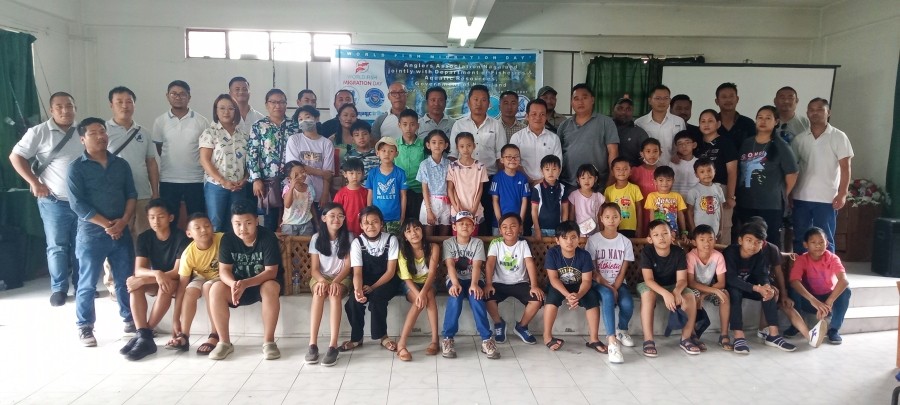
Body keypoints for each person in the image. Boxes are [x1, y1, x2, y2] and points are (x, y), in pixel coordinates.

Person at [67, 117, 137, 346]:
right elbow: (78, 205)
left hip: (121, 230)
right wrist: (108, 225)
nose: (100, 136)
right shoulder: (76, 168)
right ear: (82, 138)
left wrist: (123, 222)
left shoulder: (121, 164)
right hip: (91, 234)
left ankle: (130, 320)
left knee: (125, 279)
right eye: (94, 132)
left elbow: (131, 195)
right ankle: (85, 326)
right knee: (87, 282)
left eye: (103, 131)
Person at [9, 92, 83, 306]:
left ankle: (82, 286)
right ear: (51, 110)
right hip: (53, 201)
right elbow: (16, 156)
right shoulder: (39, 132)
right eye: (59, 106)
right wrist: (34, 182)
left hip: (82, 203)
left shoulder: (83, 131)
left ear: (75, 108)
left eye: (69, 105)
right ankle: (59, 288)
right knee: (57, 246)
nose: (65, 110)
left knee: (81, 245)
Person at [207, 200, 284, 360]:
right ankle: (224, 343)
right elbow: (224, 270)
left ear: (256, 221)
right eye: (238, 224)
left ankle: (269, 342)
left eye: (248, 223)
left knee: (270, 287)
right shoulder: (227, 239)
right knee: (215, 289)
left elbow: (271, 272)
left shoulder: (267, 237)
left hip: (261, 284)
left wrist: (246, 284)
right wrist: (233, 284)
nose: (243, 228)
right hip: (238, 287)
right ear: (232, 223)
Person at [120, 199, 189, 360]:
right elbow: (139, 269)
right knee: (135, 284)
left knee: (163, 284)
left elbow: (177, 272)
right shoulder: (144, 237)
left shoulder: (181, 237)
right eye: (151, 217)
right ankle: (143, 334)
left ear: (170, 218)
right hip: (158, 279)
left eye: (160, 217)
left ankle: (145, 334)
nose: (155, 221)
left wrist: (151, 277)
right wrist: (156, 274)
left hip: (177, 281)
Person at [791, 98, 853, 254]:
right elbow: (792, 169)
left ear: (828, 112)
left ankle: (826, 275)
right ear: (807, 113)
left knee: (826, 239)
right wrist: (790, 193)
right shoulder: (799, 139)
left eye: (820, 109)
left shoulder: (839, 136)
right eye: (811, 109)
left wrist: (843, 193)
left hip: (827, 198)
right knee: (800, 238)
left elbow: (846, 167)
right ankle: (800, 274)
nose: (815, 112)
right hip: (801, 196)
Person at [724, 222, 797, 354]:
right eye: (749, 240)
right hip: (731, 287)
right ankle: (738, 336)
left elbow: (763, 275)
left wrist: (766, 287)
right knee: (735, 293)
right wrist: (758, 289)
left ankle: (773, 335)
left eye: (758, 242)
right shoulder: (731, 252)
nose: (753, 245)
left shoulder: (760, 254)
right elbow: (731, 279)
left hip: (750, 287)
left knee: (771, 292)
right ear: (740, 240)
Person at [736, 106, 799, 248]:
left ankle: (770, 270)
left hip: (770, 204)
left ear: (776, 121)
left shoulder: (780, 145)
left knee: (769, 242)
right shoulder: (747, 143)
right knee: (747, 241)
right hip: (746, 201)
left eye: (768, 118)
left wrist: (782, 192)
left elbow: (792, 173)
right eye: (760, 117)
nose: (763, 121)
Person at [341, 206, 402, 353]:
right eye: (366, 223)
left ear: (381, 223)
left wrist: (373, 287)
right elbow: (357, 273)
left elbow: (390, 271)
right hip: (365, 279)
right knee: (352, 302)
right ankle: (356, 338)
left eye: (375, 222)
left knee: (377, 298)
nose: (370, 226)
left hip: (387, 280)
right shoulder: (357, 243)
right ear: (361, 225)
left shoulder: (391, 240)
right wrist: (357, 290)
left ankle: (383, 337)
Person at [441, 211, 499, 359]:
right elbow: (450, 266)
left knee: (476, 297)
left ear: (473, 227)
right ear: (454, 226)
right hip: (455, 279)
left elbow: (477, 266)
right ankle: (448, 338)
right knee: (455, 297)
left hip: (474, 278)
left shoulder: (477, 243)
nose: (465, 226)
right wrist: (454, 284)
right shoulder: (448, 243)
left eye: (468, 224)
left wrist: (474, 284)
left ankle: (486, 339)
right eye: (461, 223)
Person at [637, 220, 700, 357]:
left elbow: (682, 280)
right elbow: (648, 280)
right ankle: (648, 340)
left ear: (672, 235)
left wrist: (676, 291)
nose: (661, 237)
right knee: (648, 295)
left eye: (665, 233)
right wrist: (666, 294)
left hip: (673, 285)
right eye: (656, 235)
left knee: (690, 296)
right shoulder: (647, 252)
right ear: (650, 239)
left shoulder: (678, 252)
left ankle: (686, 338)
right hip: (650, 284)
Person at [152, 80, 209, 225]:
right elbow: (160, 148)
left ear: (189, 97)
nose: (178, 97)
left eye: (182, 94)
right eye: (174, 94)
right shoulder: (160, 121)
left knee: (197, 220)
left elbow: (206, 151)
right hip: (168, 179)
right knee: (169, 221)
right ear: (167, 96)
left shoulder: (201, 121)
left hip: (195, 180)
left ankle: (196, 248)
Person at [450, 85, 505, 234]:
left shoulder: (496, 125)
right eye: (475, 99)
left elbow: (501, 156)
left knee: (486, 216)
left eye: (483, 100)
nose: (479, 103)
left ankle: (485, 251)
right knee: (464, 219)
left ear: (489, 103)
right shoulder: (459, 124)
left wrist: (501, 181)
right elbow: (453, 155)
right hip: (463, 181)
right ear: (468, 102)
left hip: (489, 178)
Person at [106, 86, 159, 239]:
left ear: (134, 105)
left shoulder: (144, 132)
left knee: (143, 236)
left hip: (142, 193)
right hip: (116, 195)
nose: (124, 106)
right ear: (111, 105)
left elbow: (151, 163)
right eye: (119, 102)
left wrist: (155, 192)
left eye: (129, 102)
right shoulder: (103, 131)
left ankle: (140, 264)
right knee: (118, 237)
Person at [542, 221, 603, 353]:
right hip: (559, 286)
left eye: (573, 237)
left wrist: (578, 296)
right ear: (557, 240)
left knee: (592, 297)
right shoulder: (553, 253)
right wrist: (567, 295)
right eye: (564, 238)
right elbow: (553, 278)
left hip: (579, 286)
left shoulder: (584, 255)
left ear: (579, 239)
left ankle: (594, 339)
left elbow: (587, 280)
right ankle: (547, 337)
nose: (569, 241)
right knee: (551, 299)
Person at [586, 203, 635, 363]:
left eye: (615, 217)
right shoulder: (594, 240)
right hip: (598, 282)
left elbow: (623, 270)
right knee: (607, 296)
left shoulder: (625, 242)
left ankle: (621, 329)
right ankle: (612, 342)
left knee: (627, 304)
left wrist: (615, 287)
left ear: (620, 218)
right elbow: (593, 270)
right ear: (601, 219)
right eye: (607, 217)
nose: (611, 220)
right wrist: (608, 287)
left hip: (618, 282)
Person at [485, 213, 544, 345]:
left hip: (520, 283)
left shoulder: (523, 244)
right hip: (499, 282)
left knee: (537, 300)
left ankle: (521, 326)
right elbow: (490, 264)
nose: (509, 230)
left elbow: (529, 263)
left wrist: (534, 285)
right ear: (500, 230)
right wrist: (489, 283)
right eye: (504, 227)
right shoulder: (496, 243)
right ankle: (499, 324)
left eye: (513, 226)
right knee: (488, 297)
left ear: (520, 228)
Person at [306, 203, 353, 366]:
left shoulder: (348, 237)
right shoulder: (316, 238)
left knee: (334, 294)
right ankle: (312, 344)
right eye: (332, 215)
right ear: (324, 218)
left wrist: (335, 282)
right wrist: (322, 281)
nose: (336, 219)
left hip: (341, 277)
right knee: (319, 293)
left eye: (340, 216)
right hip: (321, 276)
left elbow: (348, 266)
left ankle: (333, 345)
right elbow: (314, 269)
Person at [170, 213, 222, 355]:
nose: (203, 230)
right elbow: (181, 287)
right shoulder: (188, 254)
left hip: (221, 277)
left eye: (206, 226)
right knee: (189, 291)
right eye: (197, 228)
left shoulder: (222, 239)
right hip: (201, 277)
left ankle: (215, 334)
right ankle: (184, 336)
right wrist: (175, 319)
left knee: (208, 287)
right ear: (189, 233)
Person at [789, 227, 851, 345]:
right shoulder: (802, 259)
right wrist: (813, 300)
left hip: (827, 303)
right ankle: (796, 325)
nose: (818, 245)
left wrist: (829, 302)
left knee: (846, 291)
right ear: (806, 244)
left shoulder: (832, 258)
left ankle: (833, 329)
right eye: (813, 242)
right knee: (793, 288)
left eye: (821, 242)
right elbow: (794, 281)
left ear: (827, 243)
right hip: (809, 300)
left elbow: (844, 280)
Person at [247, 88, 297, 232]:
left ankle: (288, 253)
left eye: (281, 102)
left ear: (286, 104)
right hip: (268, 183)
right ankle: (271, 252)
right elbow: (252, 154)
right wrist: (256, 179)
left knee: (290, 219)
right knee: (270, 221)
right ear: (266, 104)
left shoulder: (294, 126)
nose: (278, 105)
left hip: (290, 181)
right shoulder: (258, 126)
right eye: (273, 102)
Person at [199, 94, 249, 232]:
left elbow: (249, 161)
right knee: (215, 224)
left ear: (236, 111)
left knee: (237, 225)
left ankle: (232, 253)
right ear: (216, 111)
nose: (226, 112)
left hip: (238, 187)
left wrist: (245, 179)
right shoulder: (210, 132)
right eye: (222, 108)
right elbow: (204, 160)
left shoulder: (243, 135)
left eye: (230, 108)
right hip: (216, 187)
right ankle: (216, 254)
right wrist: (222, 181)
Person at [395, 219, 441, 361]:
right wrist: (418, 294)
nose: (413, 233)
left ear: (422, 230)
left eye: (416, 229)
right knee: (419, 301)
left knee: (428, 296)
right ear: (405, 237)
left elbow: (432, 274)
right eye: (408, 231)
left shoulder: (433, 247)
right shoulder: (403, 252)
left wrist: (423, 292)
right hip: (410, 284)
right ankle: (402, 344)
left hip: (429, 283)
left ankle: (435, 340)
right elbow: (406, 278)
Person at [558, 84, 619, 186]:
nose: (580, 102)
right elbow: (557, 154)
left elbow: (613, 152)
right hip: (568, 184)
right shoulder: (564, 125)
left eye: (584, 98)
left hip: (598, 185)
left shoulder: (606, 122)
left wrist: (611, 179)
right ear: (571, 102)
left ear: (592, 100)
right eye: (576, 99)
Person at [686, 225, 733, 351]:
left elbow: (721, 283)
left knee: (725, 295)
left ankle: (724, 334)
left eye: (710, 239)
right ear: (694, 242)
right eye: (702, 240)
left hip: (710, 287)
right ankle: (693, 335)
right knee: (694, 295)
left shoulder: (718, 256)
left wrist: (707, 292)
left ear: (715, 240)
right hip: (695, 288)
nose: (707, 243)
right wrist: (710, 291)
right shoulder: (691, 256)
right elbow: (690, 282)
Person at [695, 109, 738, 245]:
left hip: (721, 190)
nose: (706, 124)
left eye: (710, 121)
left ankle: (723, 261)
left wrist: (730, 196)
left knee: (723, 226)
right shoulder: (697, 145)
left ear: (718, 124)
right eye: (703, 121)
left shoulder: (726, 143)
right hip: (700, 191)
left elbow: (732, 171)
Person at [286, 105, 334, 209]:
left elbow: (328, 174)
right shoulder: (294, 140)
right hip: (299, 195)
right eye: (300, 119)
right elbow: (294, 167)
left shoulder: (326, 143)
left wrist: (325, 194)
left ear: (316, 118)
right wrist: (321, 172)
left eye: (307, 117)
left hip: (320, 194)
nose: (304, 121)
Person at [510, 98, 562, 185]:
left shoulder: (554, 139)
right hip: (522, 184)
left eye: (542, 114)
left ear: (546, 117)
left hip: (547, 186)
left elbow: (558, 165)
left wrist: (541, 182)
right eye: (534, 114)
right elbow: (513, 163)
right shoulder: (517, 137)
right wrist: (529, 180)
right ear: (527, 116)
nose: (538, 118)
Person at [447, 132, 489, 234]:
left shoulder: (480, 166)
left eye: (469, 145)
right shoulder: (453, 166)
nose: (465, 149)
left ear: (474, 146)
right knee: (458, 236)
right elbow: (450, 189)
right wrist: (456, 206)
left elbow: (480, 189)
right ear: (457, 147)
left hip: (474, 208)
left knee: (472, 235)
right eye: (462, 146)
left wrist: (474, 208)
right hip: (457, 208)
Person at [365, 136, 407, 234]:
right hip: (377, 218)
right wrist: (369, 213)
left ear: (396, 154)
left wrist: (402, 217)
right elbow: (370, 194)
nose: (386, 154)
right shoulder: (373, 173)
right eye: (383, 150)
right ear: (377, 153)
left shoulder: (400, 173)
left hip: (395, 218)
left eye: (391, 151)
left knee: (394, 243)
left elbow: (403, 196)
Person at [635, 85, 685, 165]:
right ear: (650, 100)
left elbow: (683, 145)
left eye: (665, 98)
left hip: (674, 169)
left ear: (670, 100)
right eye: (658, 98)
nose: (662, 102)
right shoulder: (640, 123)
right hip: (648, 170)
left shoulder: (679, 122)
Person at [417, 129, 451, 237]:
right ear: (428, 145)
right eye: (434, 142)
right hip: (430, 202)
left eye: (441, 142)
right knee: (428, 235)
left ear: (446, 145)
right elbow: (424, 189)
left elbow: (451, 187)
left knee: (444, 234)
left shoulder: (449, 164)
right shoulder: (424, 164)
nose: (437, 145)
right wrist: (429, 210)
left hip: (446, 202)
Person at [490, 144, 530, 235]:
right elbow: (495, 201)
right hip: (498, 223)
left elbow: (524, 202)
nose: (513, 159)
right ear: (501, 160)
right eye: (509, 157)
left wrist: (520, 222)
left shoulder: (523, 179)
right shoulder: (497, 178)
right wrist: (500, 222)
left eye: (516, 157)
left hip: (516, 224)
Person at [395, 109, 426, 222]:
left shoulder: (424, 145)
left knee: (417, 223)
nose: (408, 128)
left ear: (417, 125)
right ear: (399, 125)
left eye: (412, 124)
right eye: (405, 124)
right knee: (401, 223)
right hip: (399, 191)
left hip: (419, 191)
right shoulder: (394, 145)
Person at [530, 154, 570, 239]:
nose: (550, 172)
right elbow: (534, 210)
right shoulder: (537, 188)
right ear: (542, 171)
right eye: (547, 169)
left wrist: (563, 228)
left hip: (557, 229)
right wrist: (537, 229)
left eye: (554, 169)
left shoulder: (563, 188)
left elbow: (565, 210)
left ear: (559, 170)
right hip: (540, 229)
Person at [643, 166, 688, 240]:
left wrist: (684, 232)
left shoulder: (677, 196)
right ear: (655, 181)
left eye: (668, 180)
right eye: (661, 180)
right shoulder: (652, 196)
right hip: (658, 231)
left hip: (674, 231)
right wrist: (651, 231)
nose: (665, 183)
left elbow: (681, 215)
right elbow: (652, 215)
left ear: (673, 181)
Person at [604, 157, 643, 238]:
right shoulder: (608, 190)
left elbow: (639, 209)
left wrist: (639, 228)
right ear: (612, 172)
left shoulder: (635, 188)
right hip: (614, 227)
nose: (621, 171)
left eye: (625, 169)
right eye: (618, 169)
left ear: (630, 171)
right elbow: (606, 210)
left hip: (631, 227)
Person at [687, 158, 726, 239]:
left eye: (709, 170)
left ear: (714, 170)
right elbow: (689, 212)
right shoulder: (694, 191)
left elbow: (721, 210)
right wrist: (693, 229)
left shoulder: (719, 189)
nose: (706, 174)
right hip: (699, 230)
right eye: (702, 172)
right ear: (696, 174)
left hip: (715, 229)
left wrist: (721, 229)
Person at [630, 138, 661, 236]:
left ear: (660, 153)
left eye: (655, 151)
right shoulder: (635, 171)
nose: (652, 154)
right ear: (642, 153)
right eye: (648, 151)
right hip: (640, 212)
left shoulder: (663, 172)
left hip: (659, 213)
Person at [715, 82, 757, 150]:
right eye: (724, 97)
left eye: (731, 96)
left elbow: (754, 149)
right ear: (717, 101)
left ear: (737, 99)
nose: (728, 100)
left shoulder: (748, 124)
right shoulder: (711, 124)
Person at [332, 158, 368, 237]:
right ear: (345, 174)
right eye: (351, 173)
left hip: (363, 229)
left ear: (363, 174)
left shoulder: (366, 192)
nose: (355, 176)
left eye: (358, 173)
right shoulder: (341, 194)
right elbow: (335, 211)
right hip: (345, 230)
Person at [568, 164, 605, 236]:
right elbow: (571, 216)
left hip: (595, 233)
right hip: (579, 233)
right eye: (583, 178)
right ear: (578, 180)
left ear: (595, 179)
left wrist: (602, 232)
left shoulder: (598, 196)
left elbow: (600, 216)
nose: (586, 180)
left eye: (590, 177)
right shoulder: (574, 195)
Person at [281, 161, 317, 236]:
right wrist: (291, 188)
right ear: (289, 178)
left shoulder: (309, 188)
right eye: (296, 175)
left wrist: (316, 222)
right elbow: (287, 205)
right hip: (289, 224)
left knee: (304, 246)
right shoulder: (287, 188)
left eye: (302, 172)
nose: (301, 175)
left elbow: (311, 206)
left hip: (306, 223)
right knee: (289, 246)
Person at [611, 97, 649, 167]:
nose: (623, 112)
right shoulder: (604, 129)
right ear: (613, 110)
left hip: (631, 174)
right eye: (620, 108)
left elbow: (646, 159)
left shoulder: (639, 133)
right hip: (604, 174)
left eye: (628, 109)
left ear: (633, 112)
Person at [670, 131, 699, 196]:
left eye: (687, 142)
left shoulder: (699, 163)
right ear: (676, 147)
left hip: (694, 200)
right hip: (676, 200)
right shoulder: (672, 164)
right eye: (680, 144)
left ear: (694, 145)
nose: (684, 146)